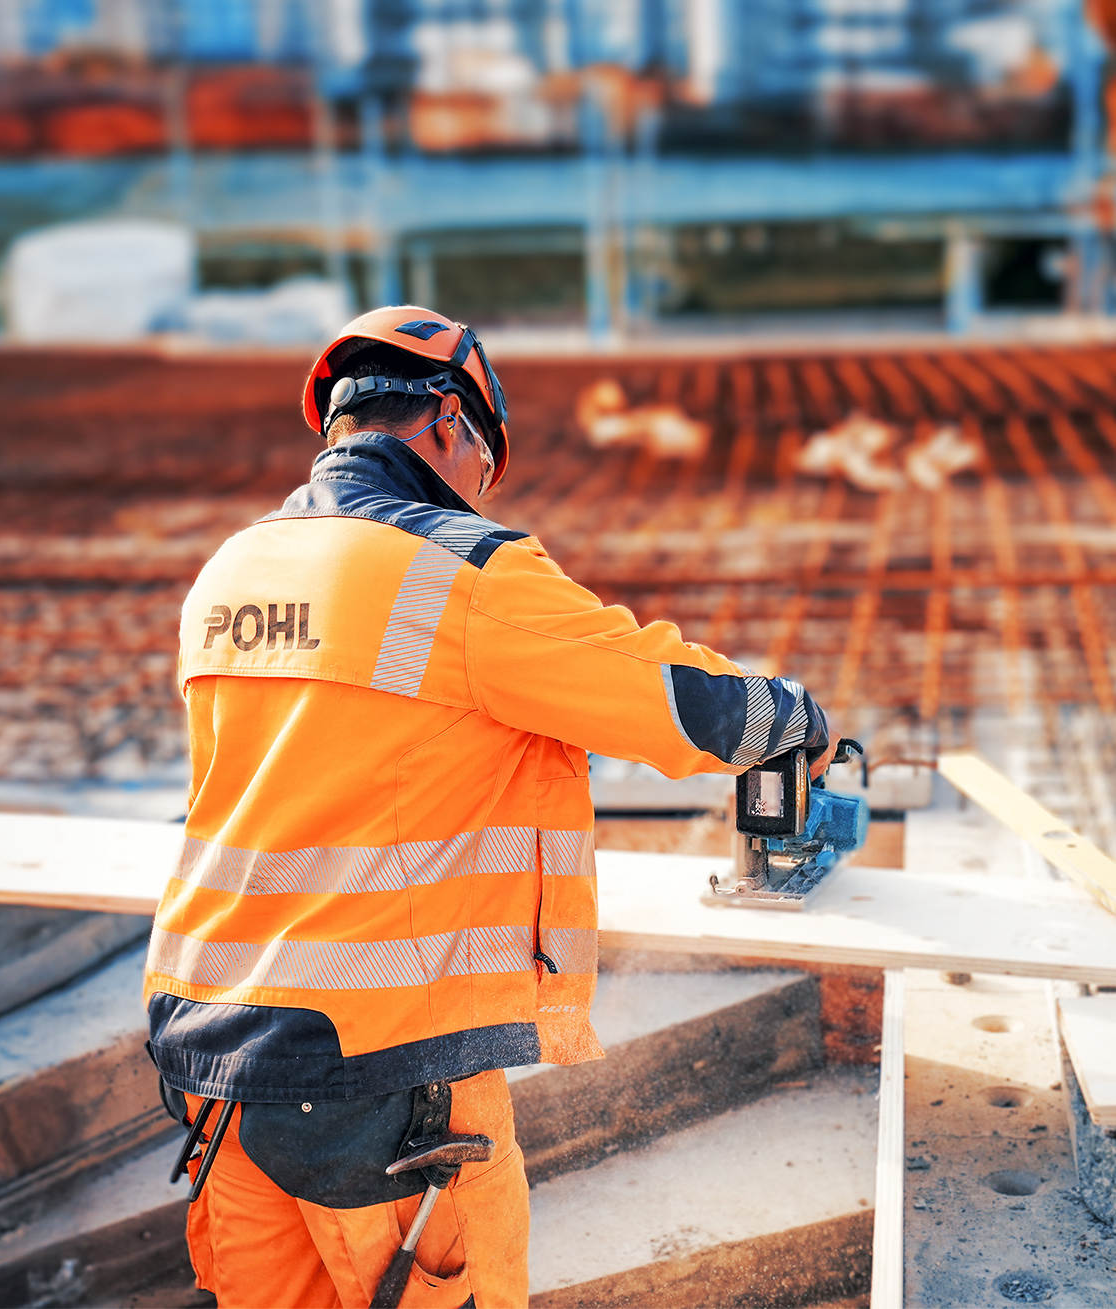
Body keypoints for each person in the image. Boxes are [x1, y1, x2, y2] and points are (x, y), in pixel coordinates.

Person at [144, 307, 831, 1309]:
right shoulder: (460, 570)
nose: (480, 487)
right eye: (483, 460)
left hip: (210, 1050)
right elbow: (673, 701)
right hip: (374, 1075)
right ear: (448, 426)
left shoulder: (232, 571)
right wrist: (796, 716)